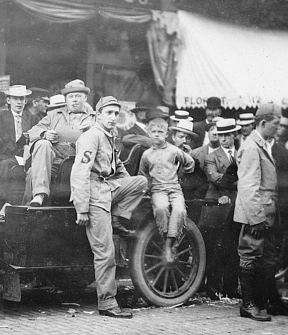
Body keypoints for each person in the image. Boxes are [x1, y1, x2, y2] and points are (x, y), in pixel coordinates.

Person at [71, 96, 147, 319]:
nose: (113, 118)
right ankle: (107, 302)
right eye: (109, 113)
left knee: (141, 182)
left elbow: (118, 166)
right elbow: (80, 174)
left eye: (116, 114)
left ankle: (118, 217)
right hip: (94, 195)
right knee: (105, 252)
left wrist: (127, 183)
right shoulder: (91, 137)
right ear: (98, 115)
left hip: (109, 189)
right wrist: (82, 208)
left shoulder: (110, 136)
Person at [234, 103, 286, 322]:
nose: (278, 128)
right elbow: (248, 187)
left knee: (266, 258)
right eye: (275, 124)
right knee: (249, 255)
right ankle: (248, 305)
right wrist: (256, 220)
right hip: (255, 214)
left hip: (266, 213)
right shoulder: (252, 147)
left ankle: (261, 302)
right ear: (263, 123)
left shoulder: (260, 144)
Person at [26, 79, 96, 207]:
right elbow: (32, 131)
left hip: (81, 164)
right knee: (42, 144)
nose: (74, 99)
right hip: (55, 163)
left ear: (85, 98)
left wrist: (94, 130)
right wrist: (45, 134)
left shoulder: (95, 118)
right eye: (71, 96)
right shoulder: (54, 115)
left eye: (78, 96)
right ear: (66, 99)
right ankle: (39, 195)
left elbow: (111, 137)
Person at [139, 116, 195, 263]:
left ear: (167, 134)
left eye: (160, 131)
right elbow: (142, 175)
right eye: (154, 132)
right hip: (158, 190)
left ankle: (170, 243)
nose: (157, 134)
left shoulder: (173, 150)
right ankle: (166, 243)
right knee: (161, 208)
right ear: (149, 133)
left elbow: (189, 162)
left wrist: (182, 173)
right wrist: (147, 188)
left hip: (174, 188)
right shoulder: (147, 155)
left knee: (179, 210)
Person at [199, 119, 241, 298]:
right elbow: (215, 178)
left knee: (233, 249)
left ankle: (230, 289)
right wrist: (241, 181)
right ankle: (213, 288)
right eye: (221, 135)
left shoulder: (241, 154)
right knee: (215, 249)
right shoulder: (211, 156)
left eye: (227, 135)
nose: (223, 139)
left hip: (236, 207)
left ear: (234, 136)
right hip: (216, 208)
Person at [0, 85, 40, 220]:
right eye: (15, 99)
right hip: (0, 155)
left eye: (21, 99)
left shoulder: (33, 118)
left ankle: (6, 206)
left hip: (23, 157)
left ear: (26, 100)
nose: (19, 102)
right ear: (9, 100)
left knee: (6, 166)